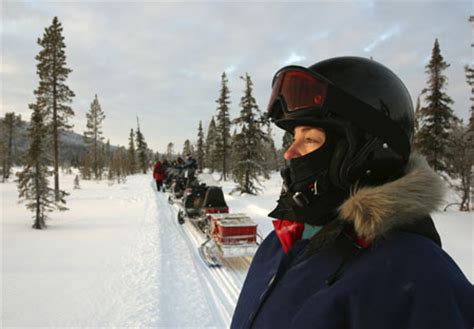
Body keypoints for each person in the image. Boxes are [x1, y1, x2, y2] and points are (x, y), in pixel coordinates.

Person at [231, 57, 474, 329]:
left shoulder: (420, 277)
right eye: (293, 137)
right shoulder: (282, 240)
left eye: (309, 139)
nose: (289, 153)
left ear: (364, 153)